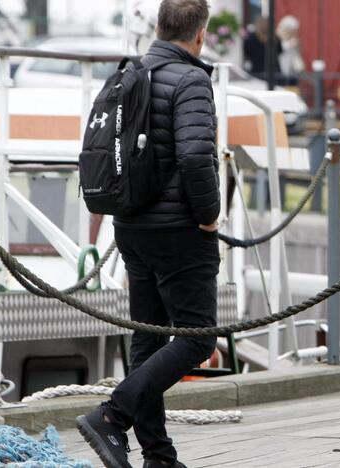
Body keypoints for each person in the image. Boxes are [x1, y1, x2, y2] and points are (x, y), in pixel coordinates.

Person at [76, 1, 220, 468]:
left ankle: (159, 456)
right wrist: (210, 216)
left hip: (131, 227)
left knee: (148, 341)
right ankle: (112, 416)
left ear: (158, 27)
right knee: (197, 339)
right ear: (199, 36)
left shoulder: (130, 72)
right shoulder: (193, 79)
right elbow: (197, 157)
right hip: (180, 231)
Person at [276, 15, 304, 85]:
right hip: (280, 72)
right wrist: (289, 45)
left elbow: (297, 55)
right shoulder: (277, 37)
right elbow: (278, 49)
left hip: (292, 73)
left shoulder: (293, 39)